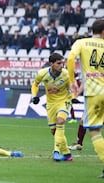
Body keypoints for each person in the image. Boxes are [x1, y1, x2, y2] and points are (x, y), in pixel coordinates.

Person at [67, 19, 104, 178]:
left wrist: (72, 81)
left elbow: (70, 59)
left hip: (95, 92)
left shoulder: (81, 42)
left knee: (95, 131)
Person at [31, 53, 72, 161]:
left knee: (60, 121)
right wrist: (34, 96)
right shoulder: (42, 73)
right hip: (51, 104)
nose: (61, 66)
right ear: (51, 64)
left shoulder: (66, 74)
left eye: (62, 63)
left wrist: (74, 96)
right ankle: (67, 154)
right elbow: (35, 84)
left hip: (64, 101)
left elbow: (71, 87)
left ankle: (56, 151)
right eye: (58, 63)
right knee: (54, 131)